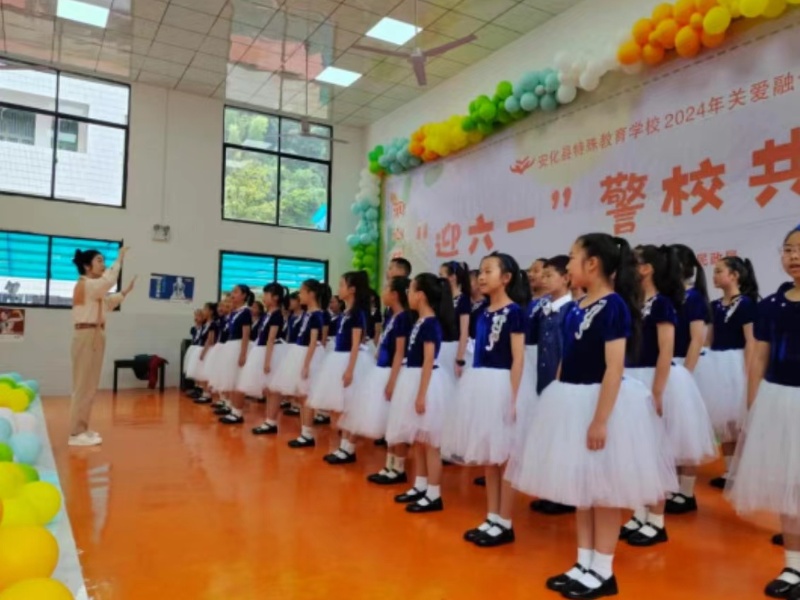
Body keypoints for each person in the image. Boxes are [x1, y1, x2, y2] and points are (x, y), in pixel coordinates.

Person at [509, 233, 676, 598]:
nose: (567, 264)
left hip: (599, 405)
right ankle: (583, 562)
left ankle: (603, 569)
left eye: (572, 257)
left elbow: (614, 368)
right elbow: (566, 359)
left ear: (593, 263)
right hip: (569, 401)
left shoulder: (614, 306)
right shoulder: (576, 307)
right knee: (581, 492)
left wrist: (600, 420)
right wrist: (555, 394)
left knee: (603, 493)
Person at [621, 245, 716, 546]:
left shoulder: (662, 303)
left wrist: (658, 391)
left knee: (655, 450)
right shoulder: (634, 302)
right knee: (637, 450)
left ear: (646, 269)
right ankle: (639, 511)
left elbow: (666, 350)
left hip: (653, 378)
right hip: (632, 377)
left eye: (634, 263)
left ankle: (657, 520)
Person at [727, 225, 800, 600]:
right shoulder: (771, 305)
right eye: (788, 249)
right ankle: (793, 565)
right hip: (780, 401)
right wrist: (754, 406)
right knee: (791, 486)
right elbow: (758, 358)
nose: (794, 256)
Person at [443, 252, 530, 546]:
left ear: (506, 278)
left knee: (504, 458)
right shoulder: (482, 312)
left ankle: (505, 521)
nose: (481, 276)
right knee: (489, 459)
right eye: (480, 271)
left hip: (502, 385)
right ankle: (492, 516)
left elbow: (518, 358)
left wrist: (513, 398)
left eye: (488, 271)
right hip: (480, 383)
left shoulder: (515, 312)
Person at [387, 274, 456, 513]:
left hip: (426, 383)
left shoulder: (431, 324)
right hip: (413, 378)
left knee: (431, 443)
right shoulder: (420, 321)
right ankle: (420, 485)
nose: (407, 295)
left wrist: (421, 394)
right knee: (418, 440)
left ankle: (434, 494)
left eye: (411, 290)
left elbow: (429, 359)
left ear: (421, 295)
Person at [693, 256, 759, 491]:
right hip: (717, 365)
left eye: (720, 271)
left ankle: (745, 471)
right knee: (726, 424)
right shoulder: (714, 306)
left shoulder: (747, 304)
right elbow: (709, 339)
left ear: (734, 275)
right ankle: (730, 471)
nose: (715, 275)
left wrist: (747, 371)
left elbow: (751, 340)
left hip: (737, 364)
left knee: (741, 423)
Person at [343, 276, 412, 483]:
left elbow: (400, 352)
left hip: (393, 372)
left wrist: (392, 380)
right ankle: (389, 465)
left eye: (386, 288)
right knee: (389, 423)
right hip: (382, 370)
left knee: (397, 422)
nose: (382, 293)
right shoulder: (392, 316)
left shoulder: (404, 318)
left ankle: (398, 468)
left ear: (395, 295)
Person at [69, 246, 135, 447]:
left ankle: (82, 428)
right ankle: (75, 433)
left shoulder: (94, 290)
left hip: (95, 334)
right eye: (99, 260)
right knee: (83, 385)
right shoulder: (87, 284)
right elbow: (108, 281)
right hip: (87, 335)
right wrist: (119, 259)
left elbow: (107, 303)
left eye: (104, 261)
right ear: (87, 266)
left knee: (90, 386)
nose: (103, 265)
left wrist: (125, 292)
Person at [527, 255, 576, 516]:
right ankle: (551, 491)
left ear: (566, 278)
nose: (543, 280)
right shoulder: (544, 308)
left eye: (549, 275)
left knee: (564, 439)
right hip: (543, 378)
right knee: (549, 437)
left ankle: (566, 495)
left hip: (563, 383)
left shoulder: (571, 310)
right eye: (542, 275)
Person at [666, 243, 712, 513]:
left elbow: (697, 339)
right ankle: (673, 487)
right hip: (669, 366)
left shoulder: (693, 298)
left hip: (685, 367)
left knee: (687, 432)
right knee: (671, 431)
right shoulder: (669, 296)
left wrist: (686, 372)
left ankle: (687, 491)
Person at [308, 272, 372, 464]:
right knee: (341, 407)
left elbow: (356, 343)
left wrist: (350, 370)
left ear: (352, 290)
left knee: (350, 406)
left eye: (342, 285)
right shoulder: (346, 313)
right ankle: (343, 446)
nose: (339, 289)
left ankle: (349, 448)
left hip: (350, 361)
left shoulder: (358, 313)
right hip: (338, 358)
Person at [271, 280, 327, 448]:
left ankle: (307, 434)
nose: (299, 295)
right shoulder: (307, 313)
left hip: (308, 355)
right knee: (302, 396)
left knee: (306, 395)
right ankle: (304, 431)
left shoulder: (317, 315)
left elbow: (313, 341)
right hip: (300, 352)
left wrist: (306, 364)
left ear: (311, 294)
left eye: (302, 292)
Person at [239, 284, 287, 434]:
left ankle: (271, 421)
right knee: (268, 390)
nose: (264, 297)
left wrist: (267, 361)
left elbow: (271, 338)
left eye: (266, 294)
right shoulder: (267, 315)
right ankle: (268, 420)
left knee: (273, 390)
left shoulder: (277, 315)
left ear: (276, 297)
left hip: (272, 353)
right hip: (262, 350)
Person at [213, 285, 254, 425]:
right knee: (231, 379)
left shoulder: (246, 312)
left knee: (238, 381)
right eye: (232, 292)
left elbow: (246, 334)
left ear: (244, 295)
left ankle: (238, 412)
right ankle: (232, 408)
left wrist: (243, 353)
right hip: (230, 346)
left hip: (238, 346)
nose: (232, 294)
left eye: (236, 292)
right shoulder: (234, 312)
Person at [439, 261, 471, 378]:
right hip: (440, 348)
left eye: (442, 275)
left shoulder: (463, 300)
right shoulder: (441, 299)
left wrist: (459, 358)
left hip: (453, 348)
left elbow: (464, 331)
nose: (440, 279)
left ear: (452, 277)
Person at [185, 303, 216, 396]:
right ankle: (198, 388)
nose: (203, 311)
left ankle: (204, 391)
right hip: (198, 347)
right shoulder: (202, 326)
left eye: (205, 309)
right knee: (197, 370)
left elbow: (210, 340)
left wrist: (204, 351)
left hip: (206, 349)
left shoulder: (212, 324)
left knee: (203, 371)